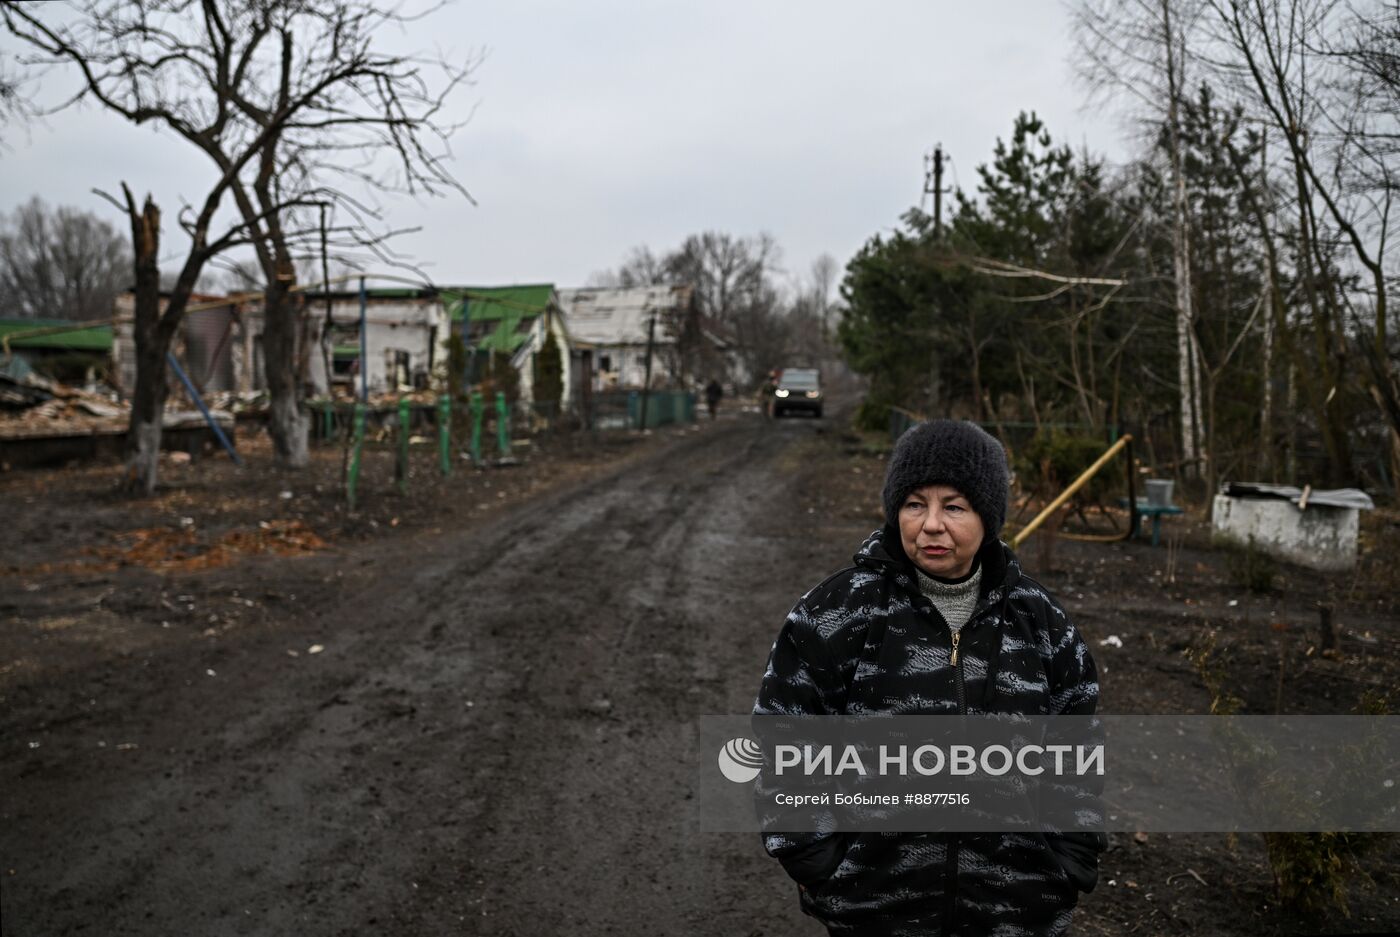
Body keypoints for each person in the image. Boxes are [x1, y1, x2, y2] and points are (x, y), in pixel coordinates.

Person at [754, 419, 1104, 937]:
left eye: (954, 506)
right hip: (875, 909)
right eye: (915, 504)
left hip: (1015, 911)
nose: (931, 525)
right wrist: (819, 864)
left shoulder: (1040, 622)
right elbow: (785, 740)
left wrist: (1069, 859)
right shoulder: (837, 614)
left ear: (989, 516)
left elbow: (1077, 745)